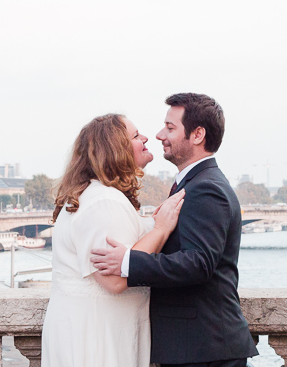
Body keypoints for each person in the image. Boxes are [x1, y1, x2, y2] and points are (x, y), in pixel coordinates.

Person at [91, 93, 259, 367]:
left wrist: (127, 262)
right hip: (198, 347)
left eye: (170, 127)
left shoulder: (206, 188)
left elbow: (199, 262)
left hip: (204, 349)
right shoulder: (194, 183)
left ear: (197, 135)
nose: (159, 135)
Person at [41, 113, 185, 367]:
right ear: (116, 150)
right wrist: (160, 230)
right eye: (136, 135)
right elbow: (114, 279)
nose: (146, 138)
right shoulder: (104, 201)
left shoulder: (94, 196)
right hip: (98, 340)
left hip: (91, 330)